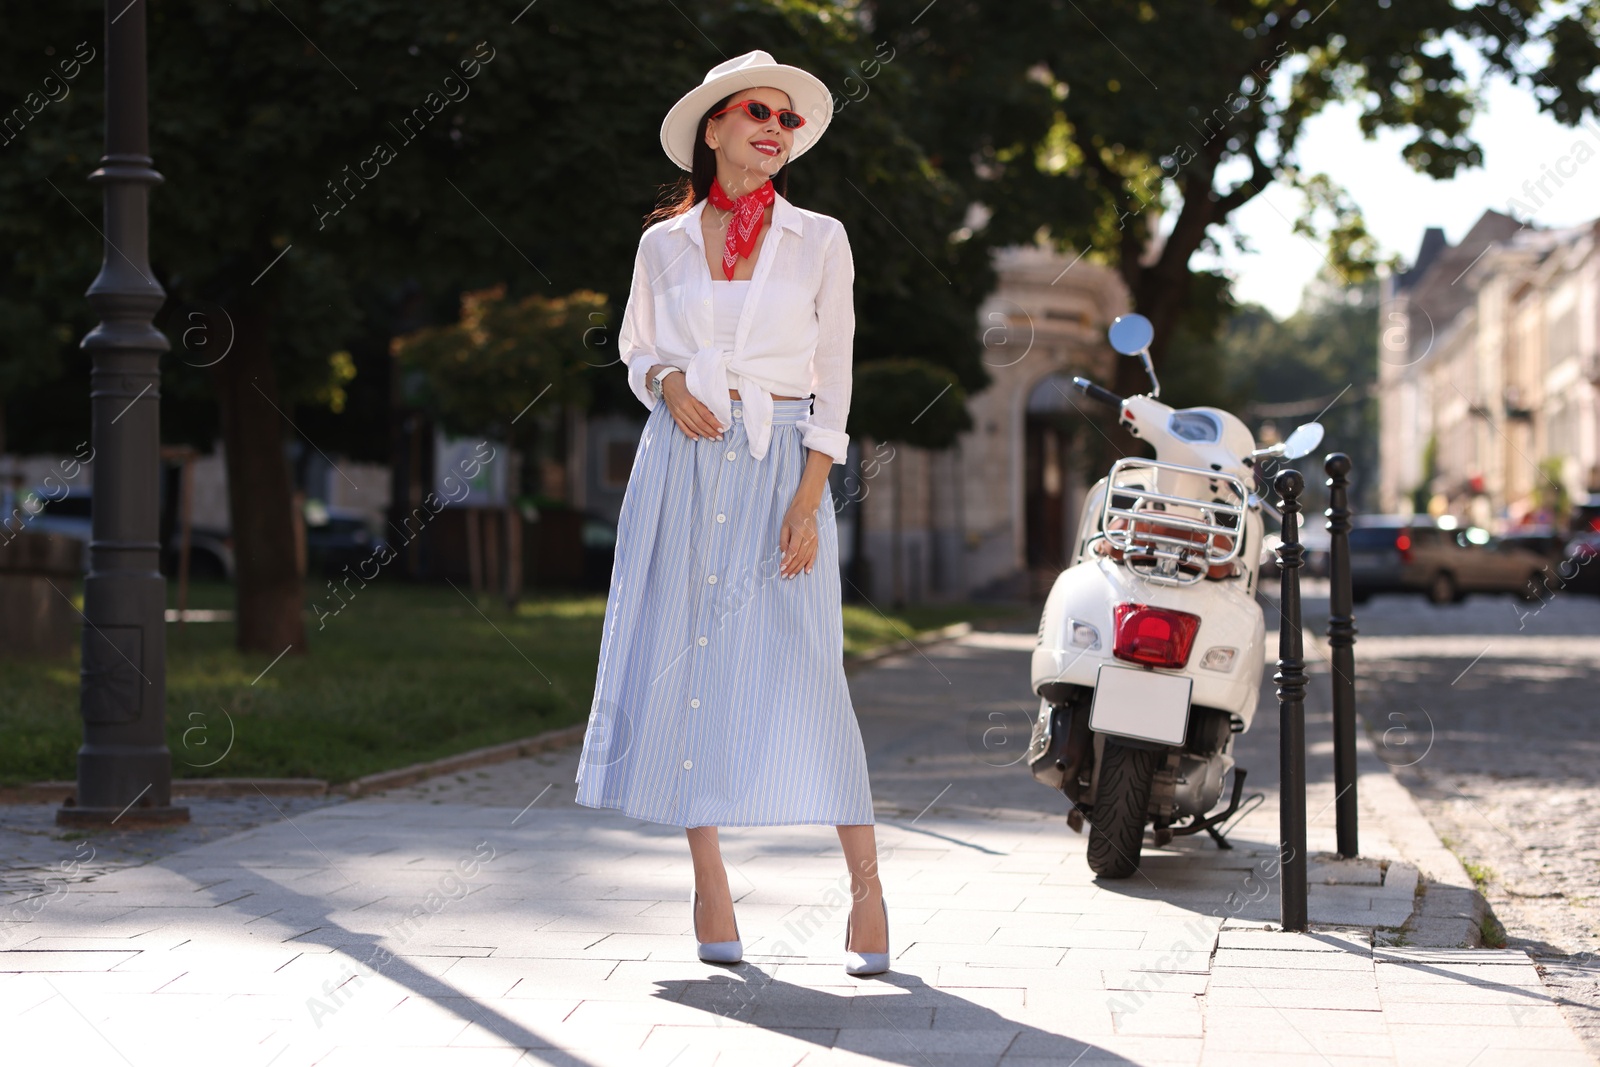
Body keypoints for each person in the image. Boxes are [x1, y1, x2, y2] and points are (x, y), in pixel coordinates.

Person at [573, 51, 889, 977]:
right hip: (678, 469)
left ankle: (867, 890)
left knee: (808, 668)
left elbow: (835, 376)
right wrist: (667, 381)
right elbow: (638, 350)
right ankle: (709, 881)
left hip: (779, 461)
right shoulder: (660, 245)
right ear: (713, 127)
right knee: (685, 664)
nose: (775, 129)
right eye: (758, 111)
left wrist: (809, 493)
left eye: (788, 120)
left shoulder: (820, 238)